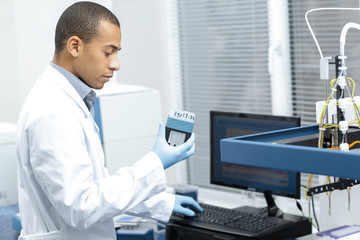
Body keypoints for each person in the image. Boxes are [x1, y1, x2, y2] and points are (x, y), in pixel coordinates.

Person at [16, 1, 202, 239]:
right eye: (108, 52)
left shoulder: (70, 99)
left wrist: (159, 204)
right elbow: (82, 206)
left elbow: (97, 186)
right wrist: (156, 161)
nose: (115, 64)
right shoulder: (53, 109)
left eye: (116, 53)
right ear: (75, 46)